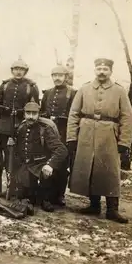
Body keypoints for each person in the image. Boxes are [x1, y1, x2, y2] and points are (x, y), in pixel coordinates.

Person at [66, 58, 132, 223]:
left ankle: (112, 209)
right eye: (99, 68)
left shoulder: (119, 91)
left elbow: (127, 117)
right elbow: (73, 114)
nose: (102, 71)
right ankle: (94, 205)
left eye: (105, 69)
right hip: (86, 133)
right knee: (90, 168)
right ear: (94, 70)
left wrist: (124, 142)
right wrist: (72, 137)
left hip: (109, 134)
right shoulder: (84, 88)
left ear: (110, 71)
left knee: (110, 171)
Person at [10, 102, 68, 212]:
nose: (31, 117)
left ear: (39, 114)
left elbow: (62, 150)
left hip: (41, 166)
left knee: (44, 184)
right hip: (27, 166)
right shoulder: (21, 128)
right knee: (19, 194)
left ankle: (46, 199)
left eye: (34, 113)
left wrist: (50, 165)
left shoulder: (45, 129)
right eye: (28, 113)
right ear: (24, 114)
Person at [0, 59, 40, 192]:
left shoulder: (31, 86)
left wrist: (21, 112)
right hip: (5, 125)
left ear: (25, 71)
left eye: (21, 69)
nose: (18, 72)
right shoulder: (5, 85)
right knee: (3, 154)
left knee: (17, 156)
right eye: (16, 69)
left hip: (22, 125)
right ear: (12, 70)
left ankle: (15, 185)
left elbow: (35, 107)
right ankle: (0, 182)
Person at [40, 65, 77, 205]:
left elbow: (75, 115)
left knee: (62, 165)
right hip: (49, 132)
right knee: (49, 161)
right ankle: (47, 195)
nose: (57, 78)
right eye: (54, 75)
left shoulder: (72, 93)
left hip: (64, 133)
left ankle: (59, 195)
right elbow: (42, 111)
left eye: (60, 75)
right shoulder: (48, 93)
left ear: (65, 77)